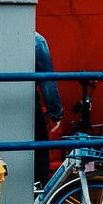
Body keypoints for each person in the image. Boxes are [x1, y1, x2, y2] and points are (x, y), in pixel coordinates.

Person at [34, 32, 63, 186]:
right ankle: (38, 198)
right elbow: (47, 81)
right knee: (39, 154)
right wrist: (55, 115)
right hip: (29, 105)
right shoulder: (36, 39)